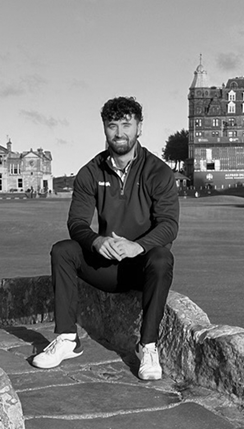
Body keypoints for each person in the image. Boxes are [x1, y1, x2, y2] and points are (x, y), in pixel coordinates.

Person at [32, 96, 179, 381]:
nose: (120, 133)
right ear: (104, 128)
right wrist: (97, 242)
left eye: (127, 124)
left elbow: (169, 225)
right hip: (104, 266)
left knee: (162, 258)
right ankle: (66, 339)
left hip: (141, 267)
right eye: (113, 125)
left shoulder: (158, 171)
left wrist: (138, 246)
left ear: (139, 127)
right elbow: (76, 223)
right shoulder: (90, 171)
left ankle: (148, 346)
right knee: (63, 250)